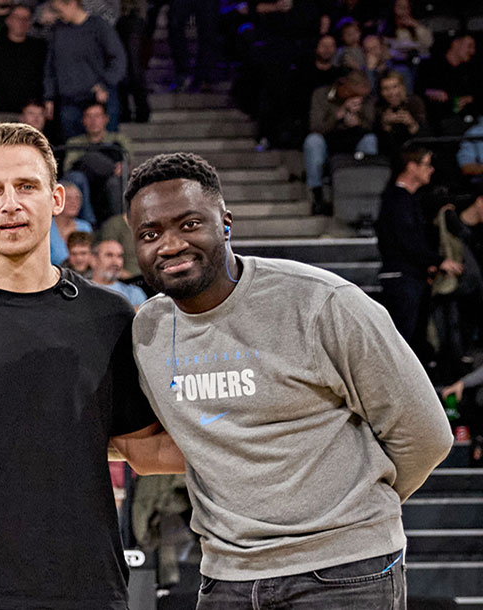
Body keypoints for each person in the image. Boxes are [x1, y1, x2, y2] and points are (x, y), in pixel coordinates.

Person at [125, 151, 453, 607]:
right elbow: (161, 445)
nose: (170, 244)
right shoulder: (148, 332)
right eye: (150, 234)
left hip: (345, 572)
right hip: (227, 576)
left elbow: (426, 435)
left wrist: (353, 515)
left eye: (189, 224)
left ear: (225, 224)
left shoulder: (323, 303)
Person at [0, 122, 179, 608]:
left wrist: (269, 439)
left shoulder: (109, 316)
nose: (10, 204)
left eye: (26, 186)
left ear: (56, 198)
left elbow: (139, 447)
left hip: (87, 591)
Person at [377, 144, 450, 359]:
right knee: (402, 342)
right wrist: (437, 260)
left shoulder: (407, 199)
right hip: (402, 278)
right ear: (411, 167)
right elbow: (406, 240)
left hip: (410, 276)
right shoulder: (397, 200)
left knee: (413, 342)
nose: (431, 169)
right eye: (426, 164)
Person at [44, 0, 125, 140]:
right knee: (74, 147)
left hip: (98, 99)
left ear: (72, 3)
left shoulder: (99, 26)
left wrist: (105, 84)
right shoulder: (58, 30)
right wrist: (49, 96)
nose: (57, 15)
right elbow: (50, 67)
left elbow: (118, 59)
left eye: (59, 10)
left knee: (106, 146)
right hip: (69, 101)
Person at [302, 72, 378, 197]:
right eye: (353, 94)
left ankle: (367, 191)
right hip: (328, 142)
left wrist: (358, 122)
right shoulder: (321, 95)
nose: (357, 98)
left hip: (354, 141)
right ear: (343, 86)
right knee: (312, 141)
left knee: (370, 140)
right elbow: (316, 127)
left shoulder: (366, 98)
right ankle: (316, 192)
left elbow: (371, 125)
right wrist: (339, 114)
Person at [0, 4, 45, 124]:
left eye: (25, 19)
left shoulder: (40, 49)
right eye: (17, 18)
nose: (21, 22)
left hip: (31, 116)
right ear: (8, 20)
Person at [61, 103, 131, 223]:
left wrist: (124, 166)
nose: (93, 121)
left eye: (97, 116)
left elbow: (128, 163)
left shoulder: (119, 140)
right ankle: (90, 222)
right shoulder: (74, 142)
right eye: (89, 116)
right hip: (85, 181)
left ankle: (117, 224)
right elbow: (69, 168)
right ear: (83, 120)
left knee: (114, 181)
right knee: (82, 171)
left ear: (106, 119)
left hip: (109, 182)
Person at [89, 239, 145, 307]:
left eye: (119, 256)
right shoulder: (81, 291)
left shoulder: (134, 293)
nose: (116, 262)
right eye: (109, 255)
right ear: (93, 260)